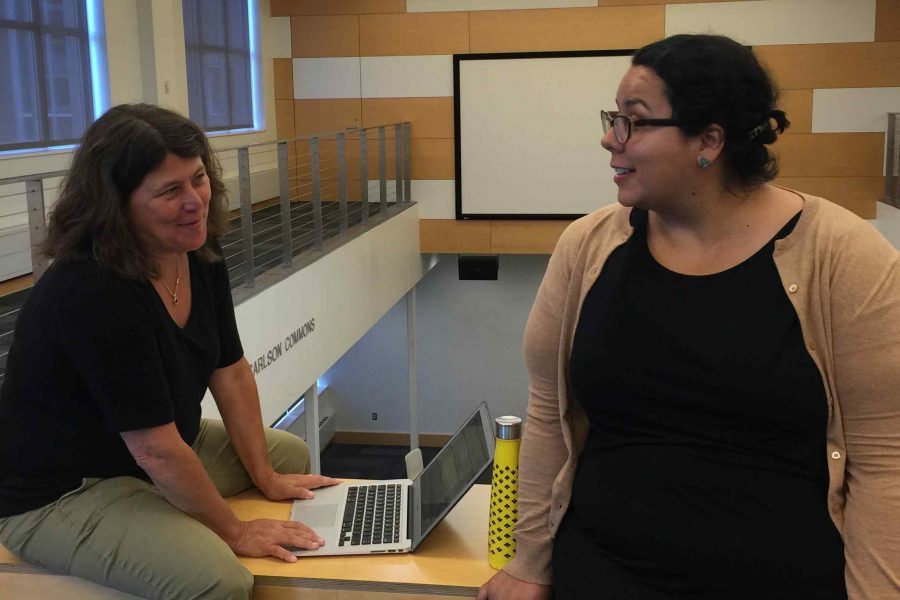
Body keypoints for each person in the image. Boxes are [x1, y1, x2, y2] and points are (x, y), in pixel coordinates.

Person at [478, 34, 900, 600]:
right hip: (602, 572)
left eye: (634, 120)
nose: (610, 138)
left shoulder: (843, 254)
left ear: (709, 139)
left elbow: (884, 456)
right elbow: (550, 412)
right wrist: (530, 562)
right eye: (613, 118)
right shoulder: (587, 245)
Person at [0, 104, 339, 599]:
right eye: (170, 191)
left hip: (145, 453)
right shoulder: (94, 288)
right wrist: (236, 532)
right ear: (116, 205)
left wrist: (264, 475)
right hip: (64, 490)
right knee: (220, 581)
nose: (195, 202)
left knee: (288, 459)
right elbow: (155, 449)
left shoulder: (197, 250)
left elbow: (232, 371)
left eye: (198, 178)